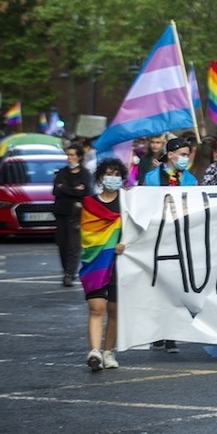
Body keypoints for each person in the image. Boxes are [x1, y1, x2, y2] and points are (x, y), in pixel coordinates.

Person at [145, 137, 197, 353]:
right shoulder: (151, 178)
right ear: (171, 154)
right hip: (157, 237)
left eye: (187, 155)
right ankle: (158, 331)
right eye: (182, 154)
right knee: (158, 287)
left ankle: (171, 335)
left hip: (180, 237)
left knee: (176, 287)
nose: (185, 159)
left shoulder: (191, 180)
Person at [79, 157, 127, 371]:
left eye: (117, 175)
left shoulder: (128, 203)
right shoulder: (89, 204)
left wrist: (125, 243)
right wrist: (107, 244)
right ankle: (95, 351)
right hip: (96, 262)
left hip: (121, 263)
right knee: (96, 308)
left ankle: (108, 352)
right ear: (100, 177)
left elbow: (138, 230)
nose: (113, 178)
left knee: (114, 310)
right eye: (109, 174)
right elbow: (88, 235)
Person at [53, 144, 94, 287]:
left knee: (73, 245)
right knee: (62, 245)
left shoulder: (85, 174)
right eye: (68, 155)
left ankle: (70, 273)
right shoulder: (62, 172)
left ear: (79, 157)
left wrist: (64, 188)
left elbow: (85, 192)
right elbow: (56, 191)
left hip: (76, 214)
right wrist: (74, 190)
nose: (69, 158)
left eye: (72, 155)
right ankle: (66, 270)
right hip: (61, 212)